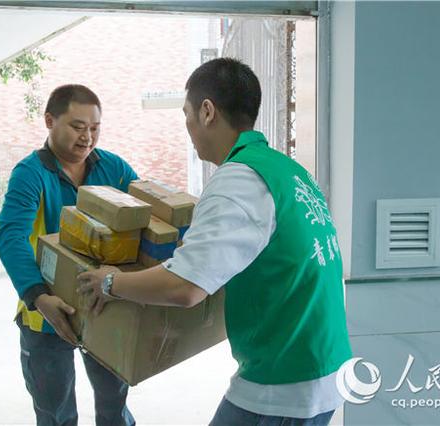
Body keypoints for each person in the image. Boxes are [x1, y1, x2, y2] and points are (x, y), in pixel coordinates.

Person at [78, 58, 353, 425]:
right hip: (321, 362)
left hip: (284, 382)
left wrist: (110, 282)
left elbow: (184, 287)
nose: (188, 128)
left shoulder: (239, 180)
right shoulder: (285, 169)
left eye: (187, 114)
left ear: (207, 111)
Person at [0, 84, 137, 426]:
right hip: (46, 313)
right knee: (55, 412)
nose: (87, 137)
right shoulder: (30, 174)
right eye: (77, 127)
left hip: (103, 306)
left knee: (114, 406)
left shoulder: (114, 168)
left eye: (95, 128)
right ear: (49, 121)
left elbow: (145, 218)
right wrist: (38, 296)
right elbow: (11, 237)